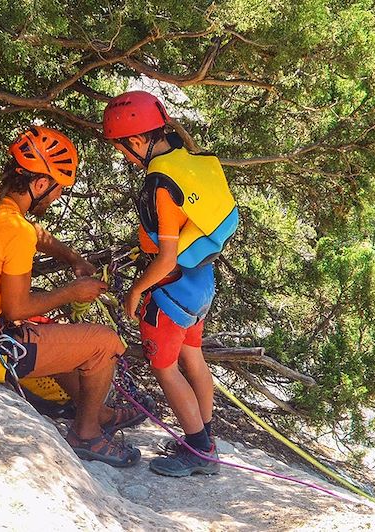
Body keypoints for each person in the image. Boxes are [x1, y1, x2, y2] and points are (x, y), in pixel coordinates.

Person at [0, 126, 143, 468]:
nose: (54, 199)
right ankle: (86, 435)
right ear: (40, 185)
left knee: (63, 340)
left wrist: (72, 258)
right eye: (56, 191)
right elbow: (18, 307)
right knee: (103, 342)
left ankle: (100, 412)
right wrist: (73, 291)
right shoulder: (16, 231)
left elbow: (35, 233)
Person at [103, 91, 239, 476]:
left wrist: (135, 290)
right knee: (192, 357)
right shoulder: (186, 162)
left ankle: (197, 452)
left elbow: (164, 257)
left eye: (123, 148)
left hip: (172, 292)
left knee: (164, 367)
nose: (125, 157)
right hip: (201, 283)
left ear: (135, 141)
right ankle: (205, 438)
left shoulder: (161, 184)